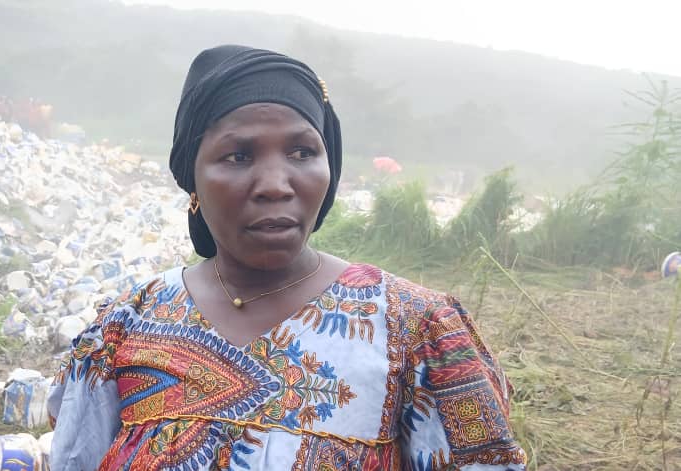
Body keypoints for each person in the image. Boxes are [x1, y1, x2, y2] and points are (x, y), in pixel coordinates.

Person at [46, 45, 526, 470]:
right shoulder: (127, 326)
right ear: (192, 179)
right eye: (238, 156)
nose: (276, 185)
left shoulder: (415, 329)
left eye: (301, 152)